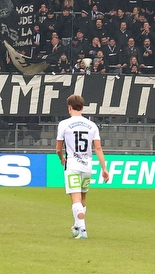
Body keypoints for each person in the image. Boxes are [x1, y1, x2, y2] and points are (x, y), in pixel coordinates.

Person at [56, 94, 110, 239]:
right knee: (83, 197)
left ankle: (83, 229)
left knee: (75, 199)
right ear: (83, 107)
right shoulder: (92, 125)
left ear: (69, 107)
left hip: (72, 165)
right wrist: (104, 168)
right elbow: (98, 148)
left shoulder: (64, 124)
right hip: (87, 166)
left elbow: (58, 149)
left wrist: (62, 159)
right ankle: (76, 226)